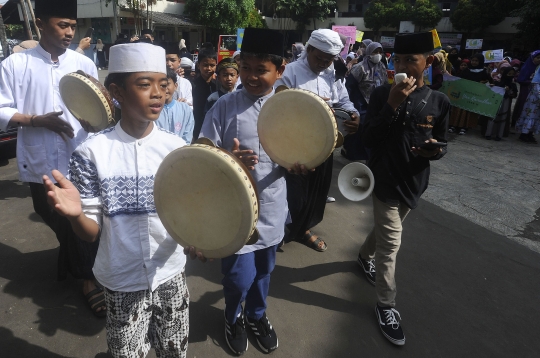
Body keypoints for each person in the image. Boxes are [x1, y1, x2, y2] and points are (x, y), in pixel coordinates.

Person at [43, 42, 192, 357]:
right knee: (126, 353)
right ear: (117, 92)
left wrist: (200, 238)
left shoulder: (177, 149)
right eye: (144, 84)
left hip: (170, 273)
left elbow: (187, 214)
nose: (157, 93)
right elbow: (90, 232)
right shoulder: (91, 153)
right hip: (121, 281)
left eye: (162, 85)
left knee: (174, 351)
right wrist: (75, 214)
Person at [0, 0, 103, 317]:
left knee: (78, 216)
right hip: (40, 159)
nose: (70, 32)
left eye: (73, 25)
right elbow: (1, 108)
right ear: (41, 23)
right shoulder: (16, 65)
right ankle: (73, 259)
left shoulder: (82, 63)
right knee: (51, 214)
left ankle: (87, 280)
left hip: (80, 156)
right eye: (63, 25)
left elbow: (98, 107)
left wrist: (93, 120)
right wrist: (36, 120)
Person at [199, 27, 289, 356]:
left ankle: (256, 315)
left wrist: (301, 162)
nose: (251, 77)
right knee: (238, 277)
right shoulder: (224, 106)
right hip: (235, 211)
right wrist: (229, 158)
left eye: (261, 69)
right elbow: (202, 151)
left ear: (279, 71)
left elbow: (304, 150)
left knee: (264, 271)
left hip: (273, 205)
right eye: (246, 68)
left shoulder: (289, 107)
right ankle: (232, 315)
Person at [357, 32, 449, 346]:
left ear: (429, 61)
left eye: (411, 59)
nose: (404, 66)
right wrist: (392, 104)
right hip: (384, 179)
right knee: (391, 244)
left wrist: (434, 150)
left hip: (414, 182)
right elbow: (367, 137)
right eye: (398, 59)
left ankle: (362, 255)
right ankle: (386, 305)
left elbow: (442, 143)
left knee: (386, 233)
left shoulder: (439, 101)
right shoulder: (384, 93)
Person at [276, 29, 360, 252]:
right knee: (294, 190)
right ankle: (282, 231)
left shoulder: (332, 74)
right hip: (295, 143)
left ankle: (303, 229)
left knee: (316, 191)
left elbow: (343, 99)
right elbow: (276, 107)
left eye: (328, 59)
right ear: (309, 50)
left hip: (326, 142)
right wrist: (308, 104)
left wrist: (353, 114)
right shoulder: (290, 72)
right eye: (319, 58)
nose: (323, 63)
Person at [448, 53, 491, 135]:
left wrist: (484, 82)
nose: (474, 62)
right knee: (458, 110)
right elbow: (459, 79)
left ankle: (465, 127)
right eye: (473, 60)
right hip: (462, 94)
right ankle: (454, 125)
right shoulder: (466, 70)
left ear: (480, 62)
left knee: (468, 112)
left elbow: (488, 81)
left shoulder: (483, 72)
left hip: (473, 96)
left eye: (476, 61)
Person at [156, 67, 195, 143]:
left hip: (180, 153)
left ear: (175, 86)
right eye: (161, 85)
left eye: (167, 84)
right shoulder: (152, 110)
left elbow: (187, 137)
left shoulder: (185, 109)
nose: (165, 89)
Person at [486, 66, 518, 141]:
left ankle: (499, 135)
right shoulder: (498, 82)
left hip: (506, 103)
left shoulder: (513, 85)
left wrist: (509, 90)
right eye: (509, 74)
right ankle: (488, 134)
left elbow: (514, 95)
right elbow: (492, 91)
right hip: (496, 102)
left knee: (502, 118)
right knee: (493, 117)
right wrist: (492, 86)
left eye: (512, 74)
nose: (510, 76)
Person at [192, 48, 217, 139]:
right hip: (197, 125)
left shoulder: (217, 86)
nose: (209, 68)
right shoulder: (192, 84)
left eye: (212, 65)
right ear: (199, 65)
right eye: (205, 65)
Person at [512, 50, 540, 127]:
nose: (539, 59)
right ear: (532, 58)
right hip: (525, 90)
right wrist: (532, 81)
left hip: (534, 91)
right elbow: (520, 79)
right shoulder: (526, 67)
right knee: (523, 105)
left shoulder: (538, 68)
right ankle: (517, 122)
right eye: (537, 57)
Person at [515, 59, 540, 143]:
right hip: (534, 101)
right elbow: (537, 90)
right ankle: (524, 134)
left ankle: (530, 133)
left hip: (538, 104)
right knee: (530, 115)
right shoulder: (536, 81)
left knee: (536, 118)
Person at [164, 44, 193, 108]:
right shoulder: (157, 82)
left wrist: (183, 104)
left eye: (173, 60)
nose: (169, 64)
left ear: (179, 61)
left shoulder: (186, 83)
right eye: (166, 60)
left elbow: (190, 106)